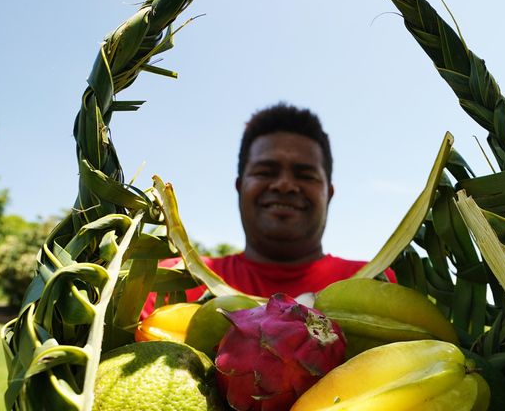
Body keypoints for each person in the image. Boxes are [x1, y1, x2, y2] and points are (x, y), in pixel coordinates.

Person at [140, 103, 394, 318]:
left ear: (329, 193)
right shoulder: (170, 281)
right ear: (240, 187)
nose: (284, 185)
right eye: (265, 172)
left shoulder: (379, 285)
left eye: (305, 175)